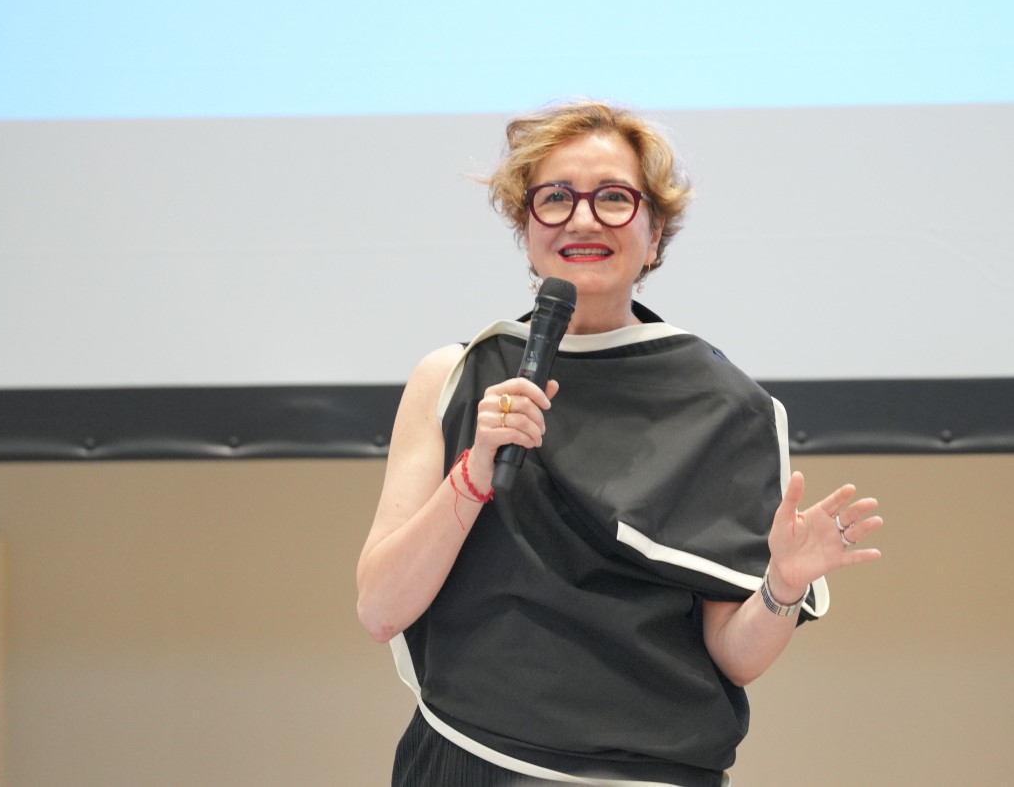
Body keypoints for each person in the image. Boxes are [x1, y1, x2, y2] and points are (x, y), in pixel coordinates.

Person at [356, 100, 884, 786]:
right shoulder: (456, 376)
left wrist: (782, 584)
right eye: (555, 198)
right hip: (471, 758)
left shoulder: (724, 406)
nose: (582, 219)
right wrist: (475, 469)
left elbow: (735, 656)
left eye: (613, 198)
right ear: (526, 228)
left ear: (654, 232)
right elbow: (380, 609)